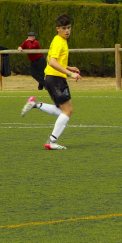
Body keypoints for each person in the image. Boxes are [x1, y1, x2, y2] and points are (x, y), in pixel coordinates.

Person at [20, 13, 82, 150]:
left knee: (63, 111)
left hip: (52, 78)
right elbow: (53, 62)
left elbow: (50, 59)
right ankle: (51, 141)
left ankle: (35, 104)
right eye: (64, 28)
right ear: (57, 29)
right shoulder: (60, 42)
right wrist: (70, 73)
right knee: (68, 111)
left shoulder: (58, 40)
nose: (67, 31)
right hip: (56, 79)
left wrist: (68, 67)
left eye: (69, 27)